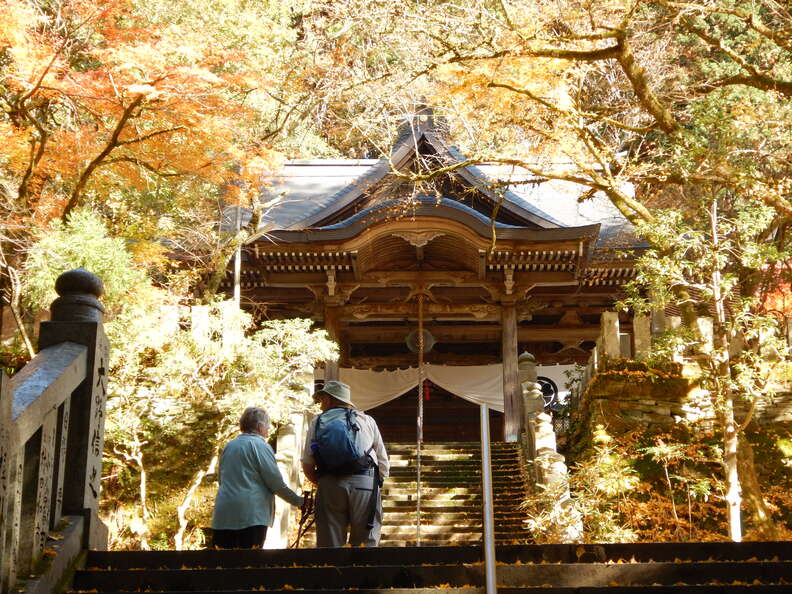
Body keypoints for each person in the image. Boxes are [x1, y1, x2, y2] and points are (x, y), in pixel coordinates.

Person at [301, 380, 389, 547]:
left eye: (322, 400)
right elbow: (383, 462)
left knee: (330, 543)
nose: (320, 406)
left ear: (329, 399)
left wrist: (323, 482)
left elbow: (307, 464)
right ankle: (364, 572)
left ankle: (333, 571)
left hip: (330, 483)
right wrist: (376, 484)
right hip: (365, 482)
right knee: (365, 541)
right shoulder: (366, 420)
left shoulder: (317, 422)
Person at [212, 406, 305, 548]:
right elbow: (275, 483)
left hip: (224, 514)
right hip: (251, 516)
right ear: (260, 426)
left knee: (225, 564)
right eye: (268, 426)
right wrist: (299, 502)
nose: (269, 429)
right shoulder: (260, 446)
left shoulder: (229, 446)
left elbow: (221, 480)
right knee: (249, 563)